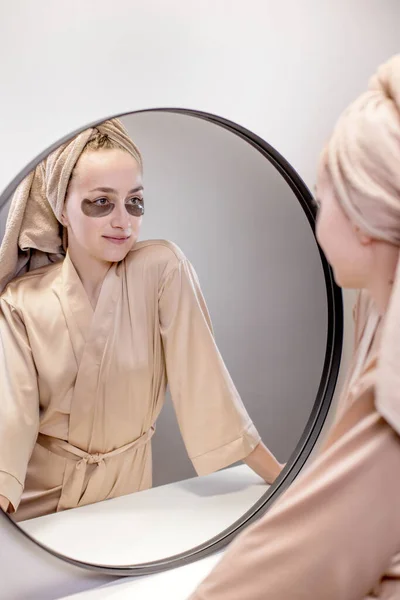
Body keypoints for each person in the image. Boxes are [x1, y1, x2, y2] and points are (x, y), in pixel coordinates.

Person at [189, 54, 400, 600]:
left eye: (321, 197)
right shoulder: (375, 309)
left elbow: (315, 551)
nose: (315, 213)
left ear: (364, 217)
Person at [0, 119, 282, 522]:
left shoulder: (161, 269)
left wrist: (286, 480)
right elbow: (10, 427)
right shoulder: (20, 302)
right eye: (101, 202)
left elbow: (207, 385)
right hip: (40, 511)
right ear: (61, 206)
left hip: (129, 502)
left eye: (135, 202)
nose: (123, 221)